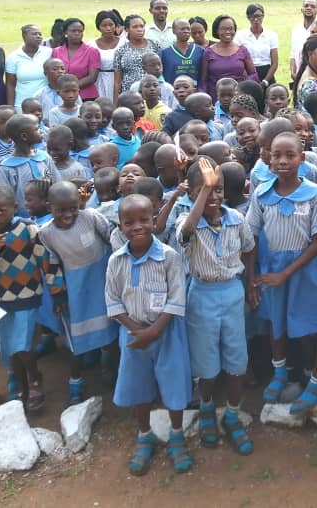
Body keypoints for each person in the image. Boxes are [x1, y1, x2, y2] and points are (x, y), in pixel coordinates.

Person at [246, 131, 317, 413]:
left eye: (289, 155)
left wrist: (287, 273)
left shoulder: (314, 194)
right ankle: (280, 372)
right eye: (276, 155)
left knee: (316, 325)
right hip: (271, 268)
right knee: (276, 320)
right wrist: (250, 279)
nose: (282, 161)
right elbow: (251, 238)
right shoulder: (261, 193)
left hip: (305, 269)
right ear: (268, 158)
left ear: (302, 157)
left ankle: (316, 381)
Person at [106, 194, 193, 476]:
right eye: (129, 222)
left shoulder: (169, 256)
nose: (138, 227)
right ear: (120, 227)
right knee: (138, 385)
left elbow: (178, 297)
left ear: (154, 221)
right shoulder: (116, 261)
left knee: (174, 384)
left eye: (144, 220)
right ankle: (145, 436)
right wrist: (136, 330)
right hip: (132, 334)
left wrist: (155, 330)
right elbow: (112, 301)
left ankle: (176, 436)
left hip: (167, 332)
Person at [176, 158, 256, 455]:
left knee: (236, 361)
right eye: (204, 190)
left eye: (218, 189)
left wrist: (250, 284)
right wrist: (203, 193)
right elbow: (184, 235)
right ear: (191, 194)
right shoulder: (188, 221)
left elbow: (249, 249)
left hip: (232, 293)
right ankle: (208, 411)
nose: (213, 196)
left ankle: (232, 415)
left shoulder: (236, 218)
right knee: (207, 364)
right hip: (202, 295)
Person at [0, 184, 61, 412]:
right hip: (0, 299)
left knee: (22, 344)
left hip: (28, 295)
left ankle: (34, 381)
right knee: (9, 347)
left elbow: (47, 261)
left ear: (15, 207)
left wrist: (57, 292)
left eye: (1, 212)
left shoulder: (28, 229)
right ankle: (21, 384)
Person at [37, 181, 118, 406]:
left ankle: (109, 367)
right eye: (60, 210)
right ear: (48, 206)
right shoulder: (46, 233)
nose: (68, 214)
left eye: (73, 207)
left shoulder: (90, 217)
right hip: (75, 287)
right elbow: (51, 265)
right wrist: (59, 295)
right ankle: (75, 381)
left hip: (101, 278)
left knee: (110, 331)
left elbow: (111, 238)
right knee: (75, 338)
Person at [0, 114, 61, 217]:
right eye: (37, 128)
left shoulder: (44, 157)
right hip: (24, 221)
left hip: (51, 216)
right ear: (24, 136)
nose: (41, 131)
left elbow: (57, 184)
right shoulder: (7, 168)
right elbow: (5, 199)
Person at [202, 15, 257, 102]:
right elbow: (203, 80)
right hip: (216, 99)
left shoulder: (242, 50)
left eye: (231, 29)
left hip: (239, 99)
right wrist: (204, 99)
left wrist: (242, 88)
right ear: (217, 30)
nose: (228, 32)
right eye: (223, 29)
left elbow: (253, 74)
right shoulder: (208, 52)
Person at [113, 14, 160, 104]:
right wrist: (116, 103)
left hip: (151, 94)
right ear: (127, 29)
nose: (139, 29)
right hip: (129, 95)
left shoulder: (155, 46)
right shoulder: (121, 51)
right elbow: (117, 81)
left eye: (141, 26)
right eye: (135, 27)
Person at [52, 17, 100, 102]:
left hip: (86, 96)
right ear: (65, 32)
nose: (77, 33)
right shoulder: (56, 51)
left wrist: (70, 88)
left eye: (80, 31)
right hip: (62, 96)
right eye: (73, 31)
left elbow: (92, 77)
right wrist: (65, 90)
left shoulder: (91, 51)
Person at [5, 24, 51, 110]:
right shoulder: (13, 57)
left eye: (40, 34)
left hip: (45, 104)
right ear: (24, 36)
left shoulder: (49, 53)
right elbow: (10, 84)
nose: (38, 36)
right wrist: (10, 108)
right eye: (34, 34)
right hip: (22, 105)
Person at [235, 2, 279, 86]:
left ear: (263, 16)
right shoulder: (240, 36)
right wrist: (248, 79)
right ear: (248, 17)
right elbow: (239, 60)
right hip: (248, 73)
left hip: (267, 73)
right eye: (253, 16)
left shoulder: (272, 35)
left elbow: (275, 63)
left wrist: (265, 81)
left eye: (259, 16)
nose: (256, 19)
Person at [160, 17, 203, 88]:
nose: (186, 31)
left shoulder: (200, 51)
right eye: (182, 29)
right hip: (174, 93)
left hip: (195, 93)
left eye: (188, 29)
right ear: (173, 31)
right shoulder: (165, 53)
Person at [92, 10, 123, 100]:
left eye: (111, 25)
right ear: (98, 27)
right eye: (104, 26)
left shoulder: (124, 43)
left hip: (119, 79)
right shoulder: (92, 45)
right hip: (100, 80)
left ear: (116, 25)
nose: (108, 28)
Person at [289, 0, 317, 81]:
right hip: (299, 75)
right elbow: (293, 54)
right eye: (306, 6)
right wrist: (293, 72)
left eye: (312, 6)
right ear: (301, 9)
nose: (309, 8)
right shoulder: (296, 30)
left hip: (316, 74)